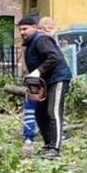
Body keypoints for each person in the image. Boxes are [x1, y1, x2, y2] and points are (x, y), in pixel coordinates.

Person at [18, 13, 72, 158]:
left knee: (52, 112)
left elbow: (54, 57)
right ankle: (48, 144)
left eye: (25, 29)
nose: (22, 33)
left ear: (35, 28)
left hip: (57, 79)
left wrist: (38, 71)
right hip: (44, 82)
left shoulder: (41, 39)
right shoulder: (30, 43)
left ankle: (55, 148)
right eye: (20, 30)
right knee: (39, 113)